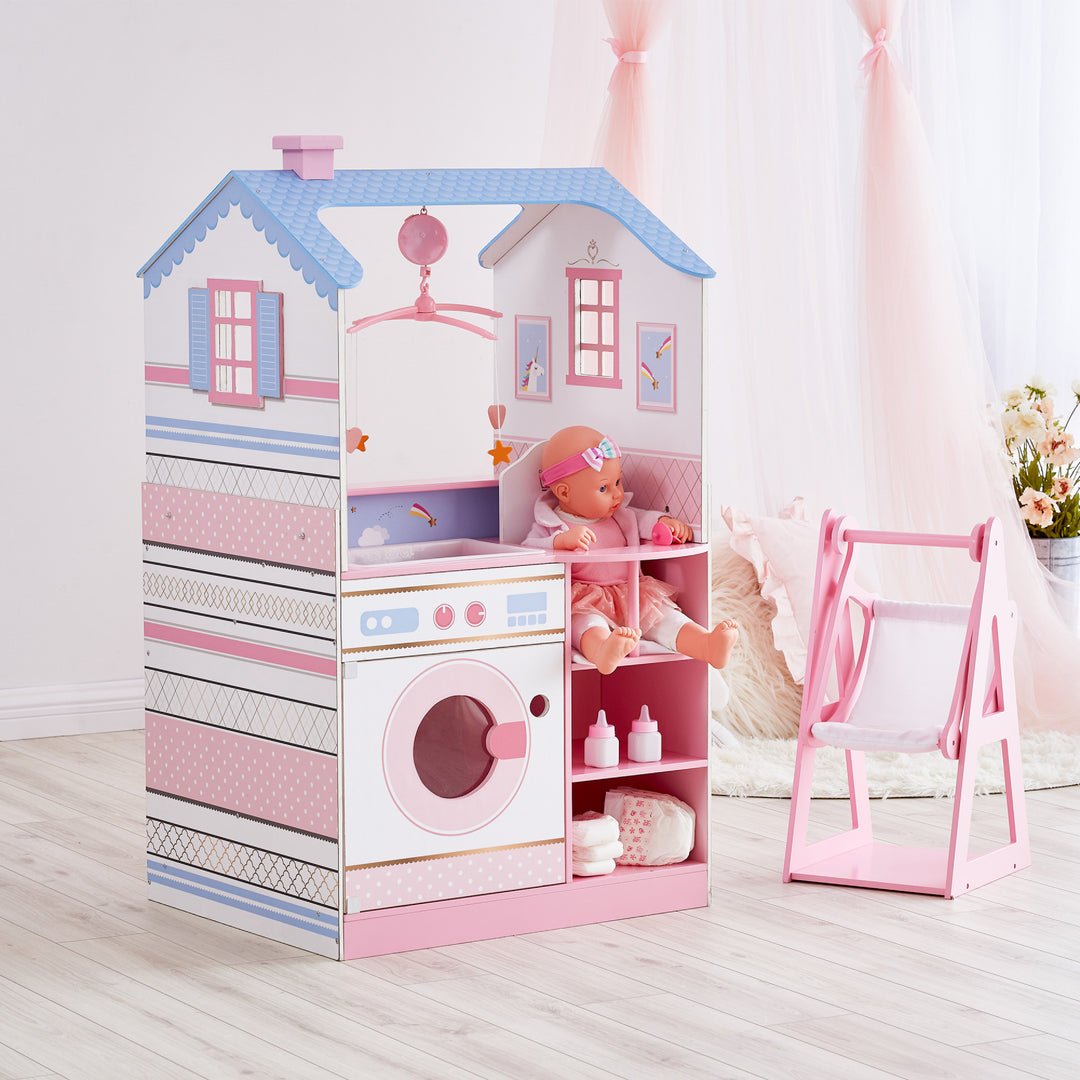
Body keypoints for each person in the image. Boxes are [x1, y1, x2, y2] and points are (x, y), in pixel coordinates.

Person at [523, 425, 739, 674]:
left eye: (618, 482)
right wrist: (558, 542)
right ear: (564, 492)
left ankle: (707, 644)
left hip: (631, 592)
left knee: (664, 617)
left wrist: (664, 524)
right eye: (604, 488)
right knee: (586, 626)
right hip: (582, 598)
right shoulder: (552, 525)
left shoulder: (620, 516)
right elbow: (529, 550)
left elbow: (642, 520)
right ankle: (603, 650)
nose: (617, 494)